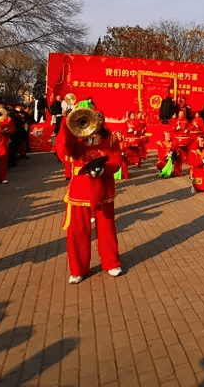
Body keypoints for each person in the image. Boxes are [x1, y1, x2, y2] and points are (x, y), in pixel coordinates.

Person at [59, 109, 123, 283]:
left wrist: (104, 169)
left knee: (107, 229)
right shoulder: (78, 140)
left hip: (103, 189)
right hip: (80, 190)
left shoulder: (111, 139)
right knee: (77, 230)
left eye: (97, 120)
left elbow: (116, 162)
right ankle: (78, 269)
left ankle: (111, 262)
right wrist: (68, 122)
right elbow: (67, 149)